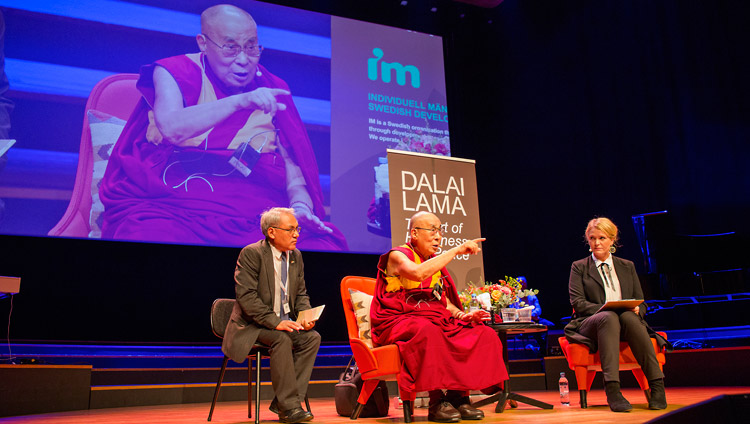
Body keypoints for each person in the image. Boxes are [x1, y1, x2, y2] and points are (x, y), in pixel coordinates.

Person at [99, 4, 347, 251]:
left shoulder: (272, 88)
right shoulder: (173, 71)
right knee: (147, 237)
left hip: (252, 213)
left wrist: (300, 209)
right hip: (172, 204)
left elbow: (293, 171)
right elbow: (172, 128)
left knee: (324, 246)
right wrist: (240, 101)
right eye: (231, 48)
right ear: (203, 43)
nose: (243, 60)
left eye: (251, 47)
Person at [370, 211, 509, 423]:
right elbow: (417, 274)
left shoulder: (434, 264)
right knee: (428, 331)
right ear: (414, 233)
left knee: (481, 333)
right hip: (398, 320)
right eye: (432, 231)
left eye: (440, 231)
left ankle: (458, 397)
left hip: (431, 317)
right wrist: (457, 250)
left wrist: (465, 315)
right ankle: (436, 402)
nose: (438, 237)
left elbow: (443, 302)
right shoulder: (397, 255)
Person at [222, 207, 320, 423]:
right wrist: (276, 323)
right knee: (281, 339)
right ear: (272, 232)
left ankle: (284, 402)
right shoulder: (252, 253)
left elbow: (301, 293)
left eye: (297, 229)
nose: (296, 234)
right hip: (252, 326)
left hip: (283, 323)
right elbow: (246, 298)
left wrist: (304, 315)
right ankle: (289, 408)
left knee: (312, 338)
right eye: (291, 229)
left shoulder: (296, 256)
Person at [564, 217, 667, 412]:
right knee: (609, 317)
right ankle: (613, 390)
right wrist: (607, 308)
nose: (597, 243)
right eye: (592, 238)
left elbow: (641, 300)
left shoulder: (627, 266)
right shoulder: (579, 267)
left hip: (624, 320)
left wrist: (638, 309)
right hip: (591, 322)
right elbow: (578, 304)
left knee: (629, 317)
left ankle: (657, 387)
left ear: (612, 240)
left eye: (602, 238)